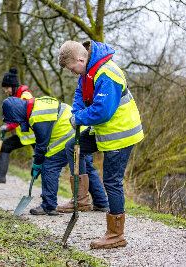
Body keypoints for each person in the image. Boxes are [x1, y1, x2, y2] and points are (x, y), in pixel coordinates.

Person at [58, 40, 144, 249]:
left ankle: (116, 234)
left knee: (112, 181)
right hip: (104, 131)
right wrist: (76, 114)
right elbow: (80, 95)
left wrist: (80, 119)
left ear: (80, 59)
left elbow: (103, 111)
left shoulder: (107, 73)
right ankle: (81, 198)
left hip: (120, 134)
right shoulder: (88, 71)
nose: (72, 73)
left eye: (72, 69)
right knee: (72, 147)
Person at [2, 96, 109, 215]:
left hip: (69, 135)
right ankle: (101, 202)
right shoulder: (38, 103)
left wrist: (37, 164)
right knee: (87, 167)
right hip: (81, 130)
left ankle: (48, 205)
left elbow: (42, 144)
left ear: (16, 113)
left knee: (49, 165)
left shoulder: (37, 116)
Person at [0, 67, 36, 183]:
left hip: (35, 135)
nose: (5, 91)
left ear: (14, 86)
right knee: (4, 146)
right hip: (24, 135)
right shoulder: (16, 96)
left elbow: (21, 118)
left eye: (7, 88)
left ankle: (47, 192)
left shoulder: (25, 96)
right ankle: (0, 176)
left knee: (42, 162)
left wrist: (8, 127)